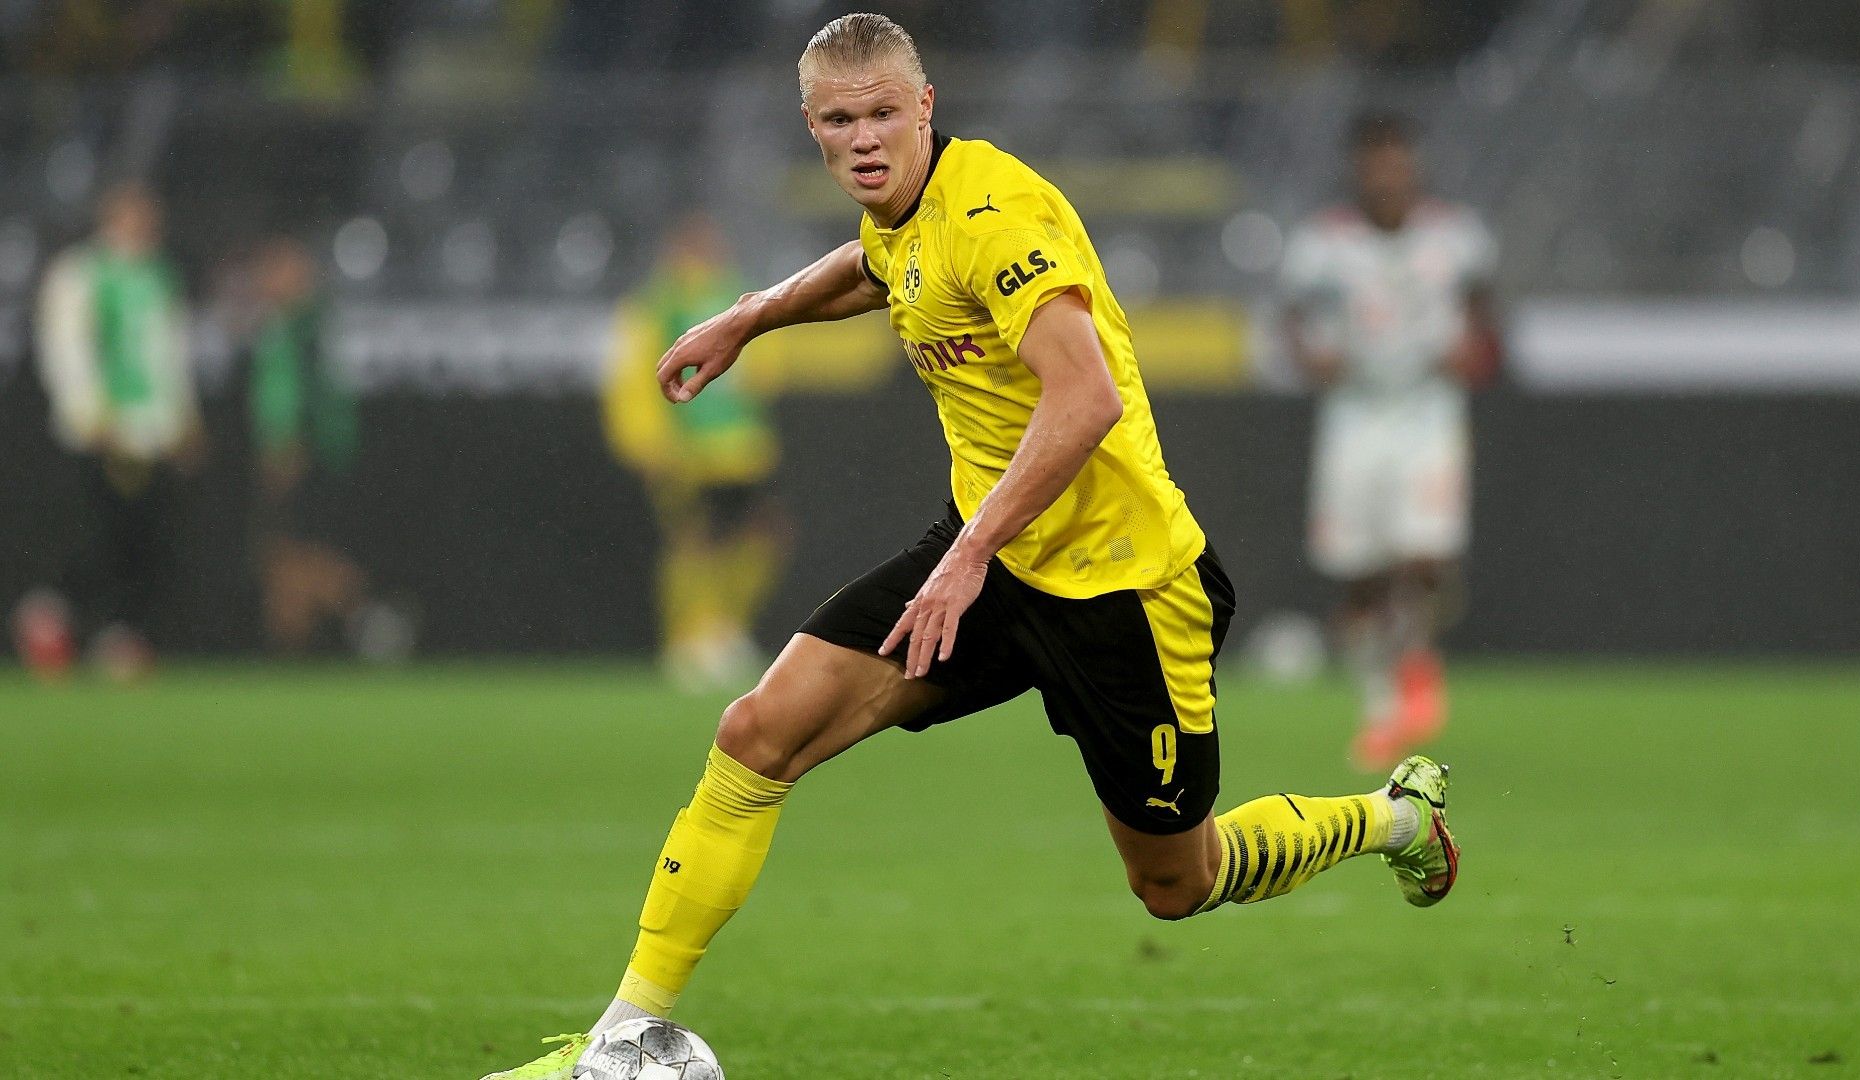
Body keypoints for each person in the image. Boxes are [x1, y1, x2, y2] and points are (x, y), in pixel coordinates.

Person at [485, 17, 1459, 1078]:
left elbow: (1084, 396)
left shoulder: (994, 214)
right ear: (811, 127)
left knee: (1176, 881)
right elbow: (878, 269)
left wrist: (968, 555)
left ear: (926, 108)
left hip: (1125, 588)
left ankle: (1394, 819)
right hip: (994, 558)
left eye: (882, 114)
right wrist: (750, 316)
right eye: (839, 120)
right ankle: (618, 1041)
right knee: (758, 733)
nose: (864, 138)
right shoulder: (906, 216)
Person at [1280, 111, 1501, 770]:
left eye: (1397, 163)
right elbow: (1288, 314)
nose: (1387, 177)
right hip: (1355, 412)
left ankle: (1416, 671)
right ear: (1358, 169)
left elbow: (1485, 303)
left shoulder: (1454, 236)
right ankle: (1381, 705)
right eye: (1375, 164)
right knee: (1361, 577)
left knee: (1424, 554)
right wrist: (1309, 357)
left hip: (1426, 409)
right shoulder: (1325, 243)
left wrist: (1475, 348)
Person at [11, 183, 199, 681]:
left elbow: (171, 354)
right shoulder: (81, 271)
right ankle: (46, 620)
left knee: (142, 540)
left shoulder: (160, 275)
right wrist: (86, 411)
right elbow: (65, 346)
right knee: (89, 536)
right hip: (99, 429)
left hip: (151, 432)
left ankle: (120, 635)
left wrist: (184, 417)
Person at [603, 214, 786, 690]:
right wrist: (646, 442)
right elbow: (634, 378)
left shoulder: (733, 294)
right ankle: (688, 641)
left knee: (754, 538)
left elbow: (762, 371)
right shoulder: (660, 304)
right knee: (697, 542)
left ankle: (721, 633)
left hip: (739, 449)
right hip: (687, 449)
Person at [246, 235, 402, 658]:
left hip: (302, 453)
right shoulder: (291, 323)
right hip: (305, 450)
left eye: (280, 271)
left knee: (292, 555)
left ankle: (367, 617)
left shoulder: (303, 328)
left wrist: (287, 441)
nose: (268, 280)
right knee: (282, 556)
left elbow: (299, 393)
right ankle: (349, 624)